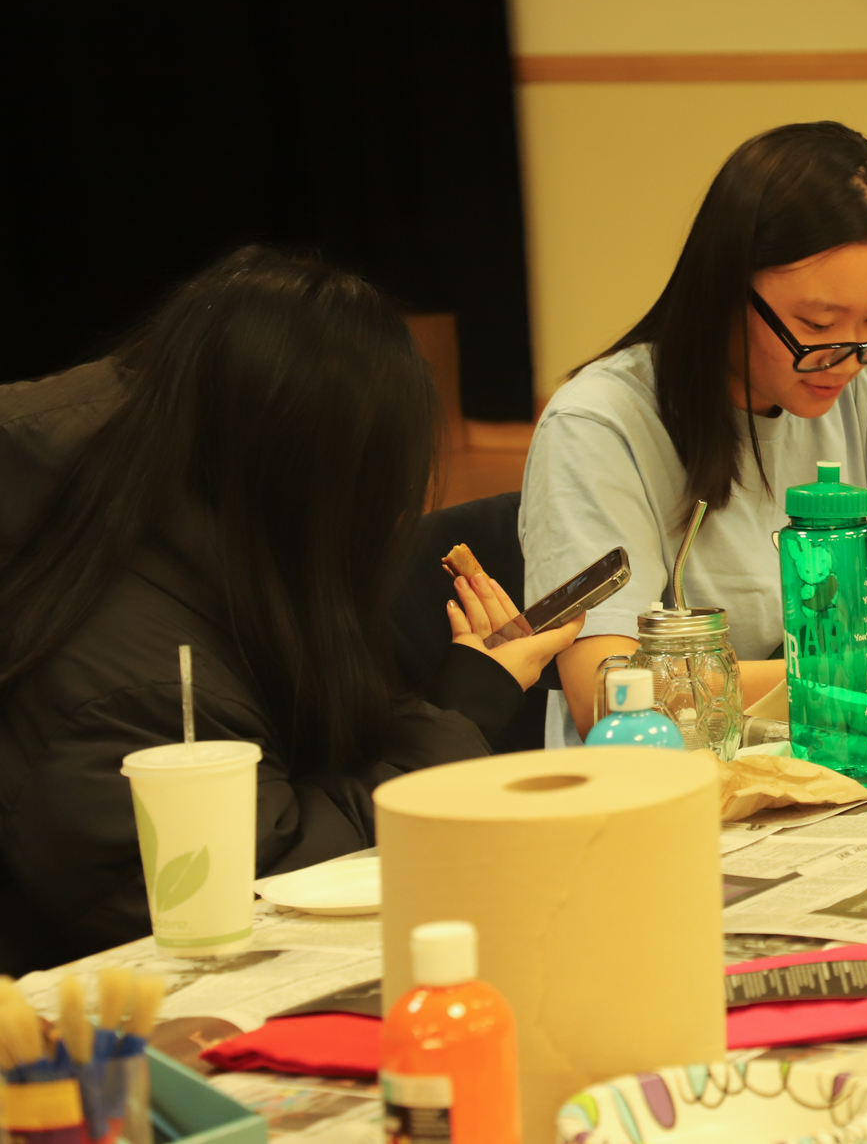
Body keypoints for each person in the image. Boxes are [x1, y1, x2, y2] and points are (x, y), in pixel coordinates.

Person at [0, 248, 578, 973]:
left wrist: (451, 702)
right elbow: (257, 887)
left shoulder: (185, 529)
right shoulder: (142, 676)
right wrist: (461, 713)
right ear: (315, 477)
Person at [520, 121, 867, 738]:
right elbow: (606, 691)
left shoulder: (860, 375)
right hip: (668, 774)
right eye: (816, 324)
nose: (847, 357)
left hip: (822, 755)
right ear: (725, 290)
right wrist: (837, 679)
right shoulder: (600, 423)